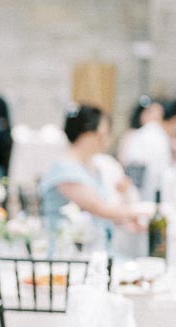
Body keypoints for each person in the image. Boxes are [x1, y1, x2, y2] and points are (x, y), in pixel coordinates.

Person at [40, 105, 142, 246]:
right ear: (87, 133)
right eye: (104, 132)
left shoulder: (92, 166)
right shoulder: (65, 170)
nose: (107, 138)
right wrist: (144, 210)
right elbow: (99, 208)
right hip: (68, 255)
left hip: (95, 251)